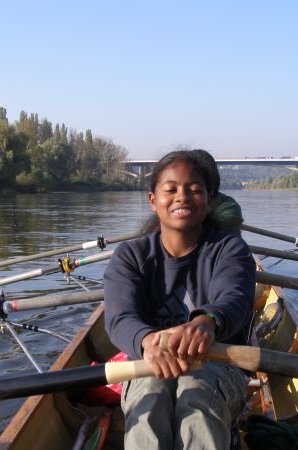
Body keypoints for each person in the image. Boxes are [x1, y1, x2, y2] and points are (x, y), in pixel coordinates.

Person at [104, 149, 256, 449]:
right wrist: (146, 341)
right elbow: (119, 318)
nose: (182, 197)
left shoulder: (230, 250)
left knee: (196, 392)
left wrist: (207, 322)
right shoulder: (130, 256)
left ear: (209, 199)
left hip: (220, 364)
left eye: (194, 189)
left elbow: (235, 297)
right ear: (153, 200)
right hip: (149, 363)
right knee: (150, 391)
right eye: (170, 189)